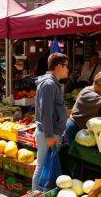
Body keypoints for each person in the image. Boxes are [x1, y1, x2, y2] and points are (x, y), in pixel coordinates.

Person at [33, 53, 69, 191]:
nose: (67, 70)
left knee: (45, 167)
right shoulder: (49, 84)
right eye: (66, 66)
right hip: (48, 134)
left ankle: (42, 192)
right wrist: (49, 136)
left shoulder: (52, 82)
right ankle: (36, 193)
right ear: (58, 66)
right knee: (42, 167)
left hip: (51, 132)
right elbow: (45, 112)